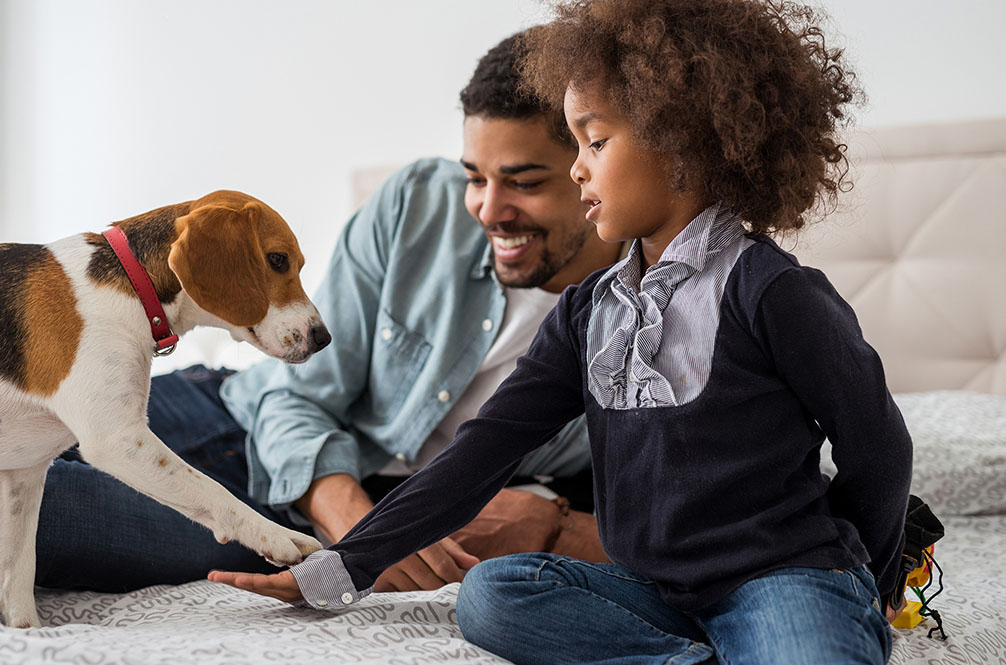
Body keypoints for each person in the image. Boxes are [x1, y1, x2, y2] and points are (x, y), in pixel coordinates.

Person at [210, 1, 912, 664]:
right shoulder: (587, 312)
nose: (577, 167)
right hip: (654, 593)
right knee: (493, 594)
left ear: (684, 145)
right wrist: (342, 567)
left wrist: (864, 580)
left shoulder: (774, 291)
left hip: (779, 577)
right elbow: (479, 454)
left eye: (595, 140)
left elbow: (878, 446)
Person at [0, 32, 619, 593]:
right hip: (239, 414)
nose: (487, 207)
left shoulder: (639, 320)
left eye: (525, 181)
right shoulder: (419, 203)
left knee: (10, 513)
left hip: (280, 498)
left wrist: (546, 523)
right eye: (475, 174)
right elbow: (300, 390)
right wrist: (342, 509)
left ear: (589, 164)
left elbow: (673, 511)